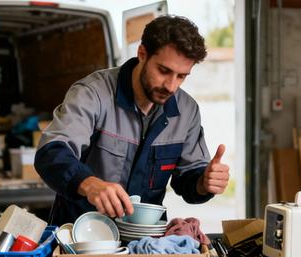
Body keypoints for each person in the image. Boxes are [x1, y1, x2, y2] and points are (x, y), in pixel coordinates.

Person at [34, 15, 229, 226]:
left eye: (181, 76)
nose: (171, 86)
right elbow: (51, 153)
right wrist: (89, 184)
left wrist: (204, 182)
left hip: (145, 242)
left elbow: (188, 181)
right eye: (164, 71)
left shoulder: (187, 111)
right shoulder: (93, 94)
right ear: (142, 53)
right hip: (80, 237)